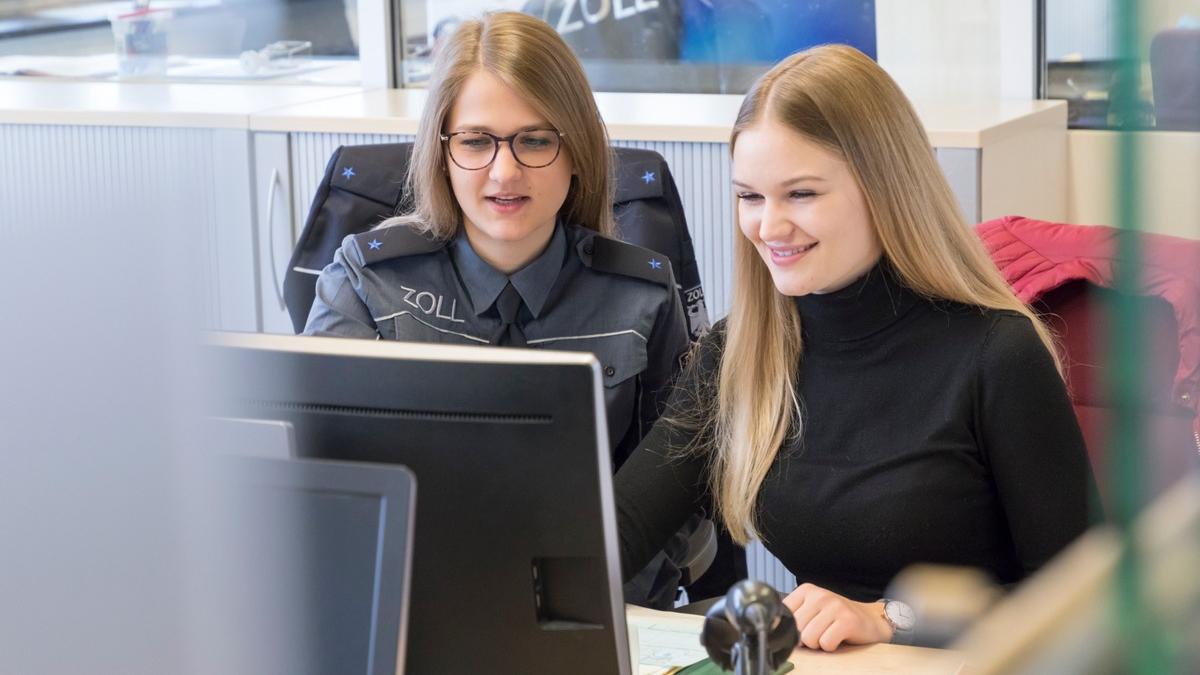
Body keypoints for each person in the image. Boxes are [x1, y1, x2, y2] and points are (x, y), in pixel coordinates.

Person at [615, 44, 1094, 648]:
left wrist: (889, 617)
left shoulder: (997, 353)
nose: (769, 227)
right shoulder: (742, 352)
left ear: (886, 188)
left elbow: (1082, 599)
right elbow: (621, 527)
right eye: (750, 196)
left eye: (802, 194)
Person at [302, 10, 691, 609]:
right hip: (411, 603)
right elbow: (320, 485)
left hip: (593, 608)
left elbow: (672, 501)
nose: (504, 172)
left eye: (536, 140)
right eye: (477, 141)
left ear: (577, 152)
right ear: (443, 152)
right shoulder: (365, 281)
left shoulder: (644, 295)